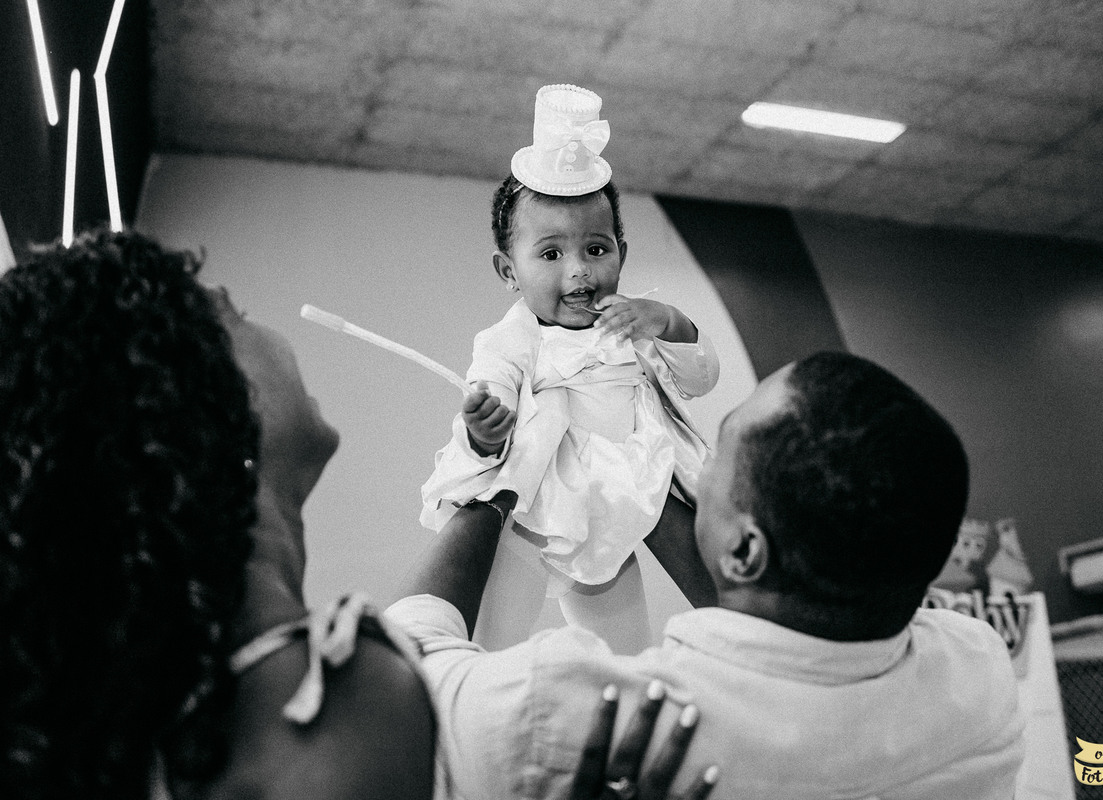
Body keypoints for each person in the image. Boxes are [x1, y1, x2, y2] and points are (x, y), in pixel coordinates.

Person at [0, 229, 712, 800]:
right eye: (233, 313)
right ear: (196, 400)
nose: (265, 329)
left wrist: (506, 476)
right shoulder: (329, 716)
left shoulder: (219, 688)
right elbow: (423, 667)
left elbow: (422, 630)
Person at [389, 351, 1027, 799]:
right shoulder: (978, 674)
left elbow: (405, 672)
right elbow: (790, 621)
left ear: (747, 551)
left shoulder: (590, 719)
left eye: (718, 447)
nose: (693, 461)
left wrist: (497, 481)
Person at [421, 84, 719, 655]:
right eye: (551, 254)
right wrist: (485, 430)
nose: (579, 273)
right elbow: (493, 387)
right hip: (533, 526)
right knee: (490, 652)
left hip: (625, 511)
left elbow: (701, 380)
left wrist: (669, 320)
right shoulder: (513, 338)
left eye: (596, 249)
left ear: (622, 254)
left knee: (627, 657)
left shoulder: (636, 323)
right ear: (509, 271)